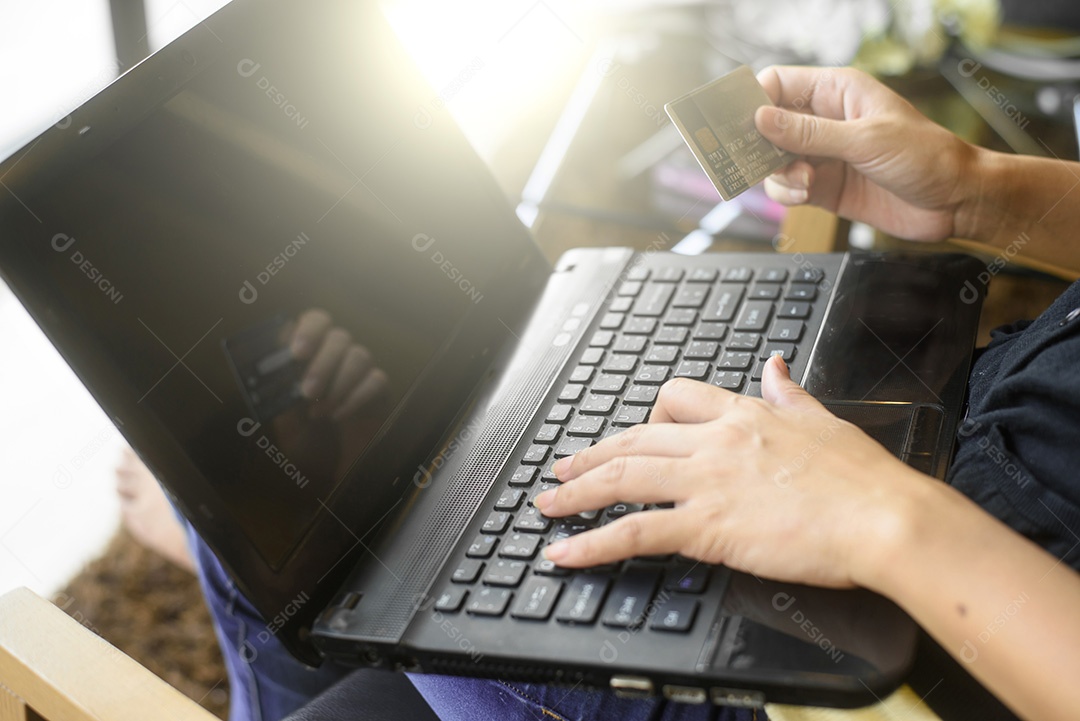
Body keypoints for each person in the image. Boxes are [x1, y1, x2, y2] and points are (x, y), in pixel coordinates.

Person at [159, 65, 1080, 721]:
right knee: (321, 512)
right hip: (965, 436)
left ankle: (365, 551)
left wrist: (878, 514)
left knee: (290, 521)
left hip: (908, 648)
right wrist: (977, 191)